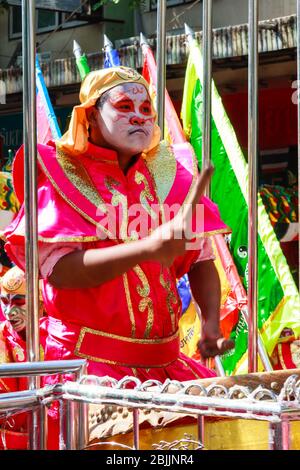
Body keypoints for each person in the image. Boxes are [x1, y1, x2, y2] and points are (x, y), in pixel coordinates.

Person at [5, 66, 234, 384]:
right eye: (125, 107)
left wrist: (210, 321)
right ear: (92, 117)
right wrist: (146, 248)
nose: (139, 117)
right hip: (88, 370)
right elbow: (59, 271)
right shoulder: (59, 173)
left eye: (146, 109)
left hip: (167, 368)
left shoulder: (168, 174)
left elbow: (200, 258)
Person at [0, 266, 46, 449]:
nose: (9, 311)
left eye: (19, 303)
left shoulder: (58, 338)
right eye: (4, 301)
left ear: (41, 303)